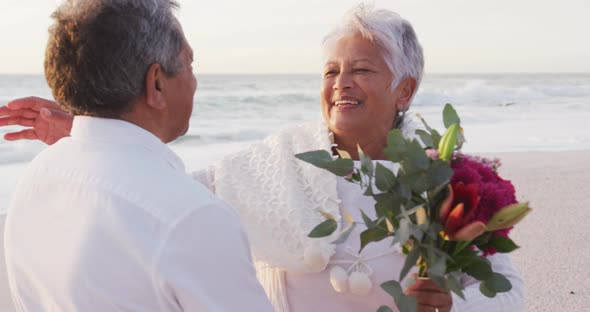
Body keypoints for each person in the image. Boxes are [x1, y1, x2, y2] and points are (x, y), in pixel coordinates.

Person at [1, 5, 524, 312]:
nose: (341, 82)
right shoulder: (277, 160)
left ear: (404, 89)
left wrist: (459, 304)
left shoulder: (452, 175)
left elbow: (509, 290)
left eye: (361, 69)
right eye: (330, 70)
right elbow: (159, 196)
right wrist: (93, 130)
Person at [2, 1, 273, 311]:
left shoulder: (37, 178)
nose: (195, 81)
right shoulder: (191, 217)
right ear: (156, 83)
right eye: (189, 64)